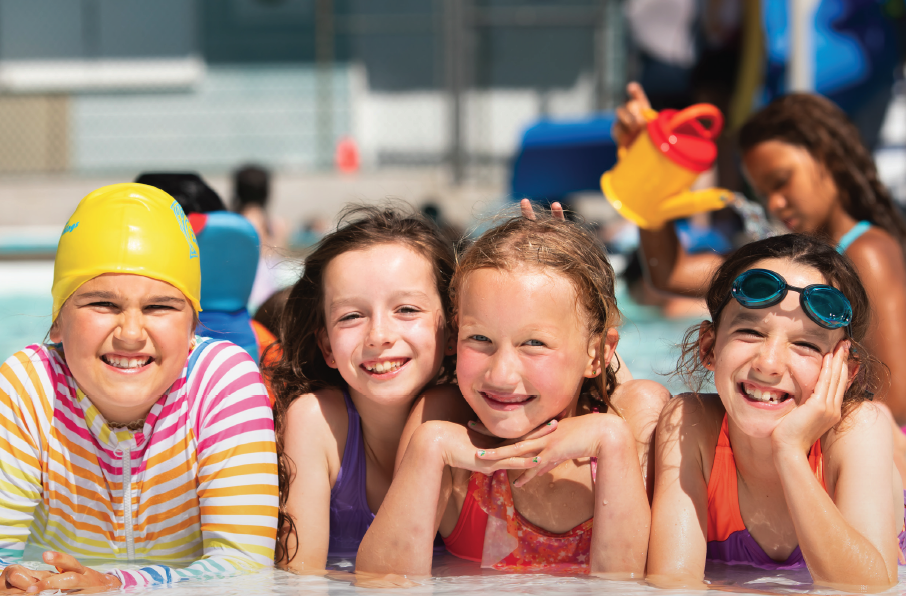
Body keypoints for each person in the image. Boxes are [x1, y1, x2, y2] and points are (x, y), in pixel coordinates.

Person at [356, 210, 669, 576]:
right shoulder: (441, 420)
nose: (501, 375)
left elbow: (624, 587)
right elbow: (382, 583)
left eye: (534, 343)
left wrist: (611, 441)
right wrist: (430, 446)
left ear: (597, 353)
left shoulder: (631, 420)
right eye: (480, 339)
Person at [0, 183, 278, 590]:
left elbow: (246, 565)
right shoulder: (30, 387)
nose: (130, 333)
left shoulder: (220, 382)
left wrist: (118, 584)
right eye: (103, 304)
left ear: (192, 327)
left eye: (159, 307)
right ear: (57, 321)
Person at [615, 83, 906, 424]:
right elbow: (669, 272)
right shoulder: (788, 260)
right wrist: (651, 172)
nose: (774, 203)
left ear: (828, 155)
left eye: (781, 181)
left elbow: (896, 398)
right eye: (763, 192)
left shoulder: (866, 250)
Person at [648, 234, 905, 589]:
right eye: (750, 332)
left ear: (845, 372)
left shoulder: (858, 430)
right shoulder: (690, 423)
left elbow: (869, 588)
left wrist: (790, 452)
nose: (769, 364)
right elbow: (671, 584)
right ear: (709, 347)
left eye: (804, 344)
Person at [265, 206, 456, 571]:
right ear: (326, 347)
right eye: (352, 316)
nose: (379, 336)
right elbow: (299, 582)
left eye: (407, 309)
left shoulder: (475, 414)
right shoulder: (316, 421)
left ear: (451, 328)